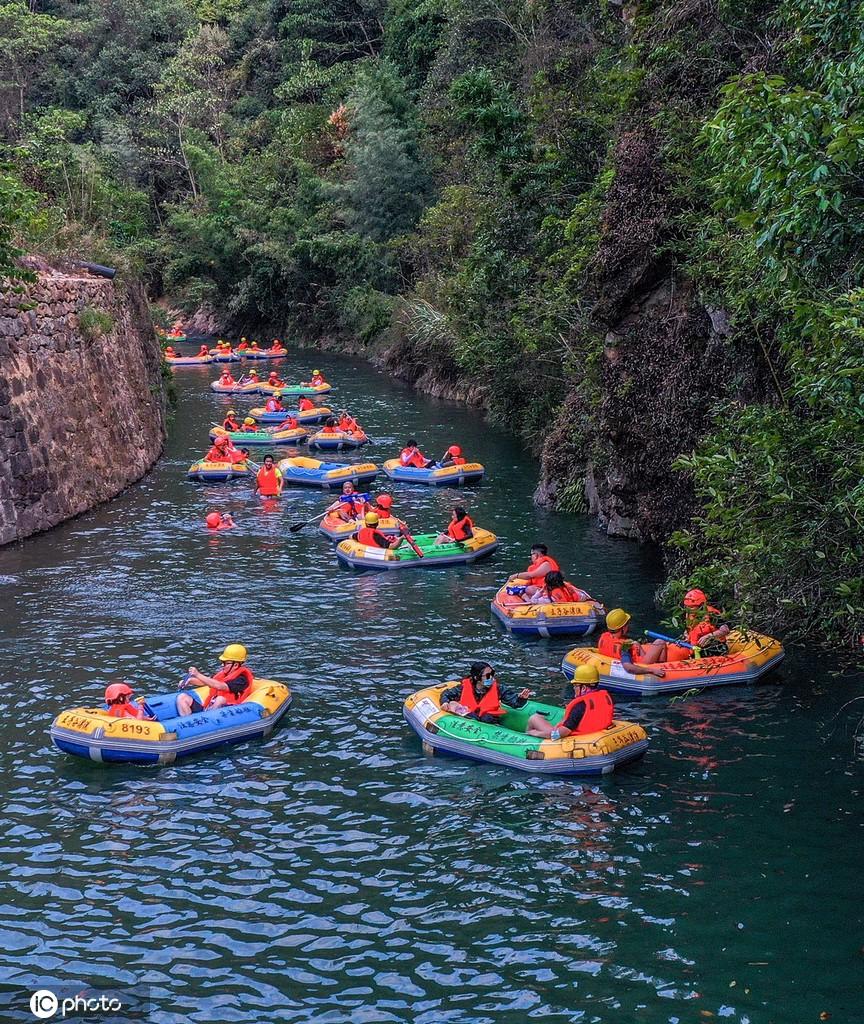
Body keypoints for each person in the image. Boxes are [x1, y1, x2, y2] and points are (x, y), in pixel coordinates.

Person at [524, 664, 613, 738]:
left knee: (534, 718)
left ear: (584, 688)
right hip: (594, 734)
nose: (574, 688)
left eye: (575, 685)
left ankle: (527, 737)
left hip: (574, 739)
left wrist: (536, 733)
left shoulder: (580, 706)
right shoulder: (605, 697)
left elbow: (563, 732)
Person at [439, 663, 534, 723]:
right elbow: (446, 694)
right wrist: (445, 702)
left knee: (487, 718)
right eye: (488, 676)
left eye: (492, 674)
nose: (491, 678)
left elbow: (514, 702)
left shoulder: (498, 688)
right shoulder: (464, 687)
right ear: (477, 678)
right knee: (452, 704)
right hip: (469, 718)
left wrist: (522, 699)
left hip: (489, 721)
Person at [176, 644, 255, 715]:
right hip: (209, 709)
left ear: (236, 665)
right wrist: (189, 681)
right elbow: (206, 682)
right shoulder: (223, 674)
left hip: (227, 713)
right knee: (182, 697)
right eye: (222, 662)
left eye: (226, 663)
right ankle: (189, 724)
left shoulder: (241, 680)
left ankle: (207, 720)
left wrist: (197, 674)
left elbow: (220, 686)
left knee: (220, 699)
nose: (222, 665)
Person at [597, 609, 666, 677]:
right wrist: (651, 670)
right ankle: (664, 667)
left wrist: (635, 644)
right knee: (660, 642)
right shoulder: (625, 646)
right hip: (641, 664)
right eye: (627, 624)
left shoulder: (604, 637)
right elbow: (628, 667)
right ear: (623, 627)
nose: (628, 626)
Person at [524, 570, 590, 604]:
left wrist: (540, 592)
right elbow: (583, 597)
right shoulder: (570, 591)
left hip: (556, 618)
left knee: (527, 598)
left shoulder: (549, 598)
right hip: (575, 613)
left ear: (547, 584)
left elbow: (533, 601)